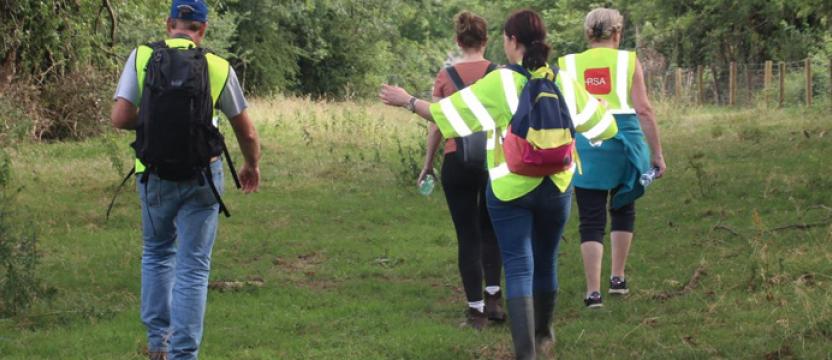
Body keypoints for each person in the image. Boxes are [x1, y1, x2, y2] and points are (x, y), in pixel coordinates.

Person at [380, 9, 618, 359]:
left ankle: (526, 353)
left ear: (511, 41)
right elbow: (605, 129)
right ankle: (543, 335)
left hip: (510, 189)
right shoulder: (564, 81)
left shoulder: (502, 82)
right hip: (557, 187)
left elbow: (446, 115)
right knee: (546, 260)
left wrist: (408, 101)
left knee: (519, 264)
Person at [110, 1, 261, 359]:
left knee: (158, 253)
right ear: (203, 30)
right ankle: (183, 354)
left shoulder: (142, 57)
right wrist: (251, 165)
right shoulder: (218, 66)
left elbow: (120, 117)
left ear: (169, 24)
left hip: (154, 174)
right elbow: (248, 132)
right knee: (194, 266)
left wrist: (153, 122)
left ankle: (156, 344)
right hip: (202, 177)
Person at [557, 8, 666, 309]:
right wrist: (656, 154)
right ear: (617, 33)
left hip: (585, 142)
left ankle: (593, 293)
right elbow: (643, 109)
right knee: (623, 208)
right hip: (624, 142)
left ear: (587, 33)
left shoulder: (566, 65)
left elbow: (563, 112)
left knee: (590, 218)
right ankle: (617, 278)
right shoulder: (628, 61)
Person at [417, 11, 505, 330]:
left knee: (467, 234)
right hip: (495, 161)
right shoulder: (499, 74)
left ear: (458, 40)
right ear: (486, 40)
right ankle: (494, 298)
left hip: (458, 159)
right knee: (492, 229)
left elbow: (437, 124)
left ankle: (476, 312)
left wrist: (428, 164)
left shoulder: (445, 76)